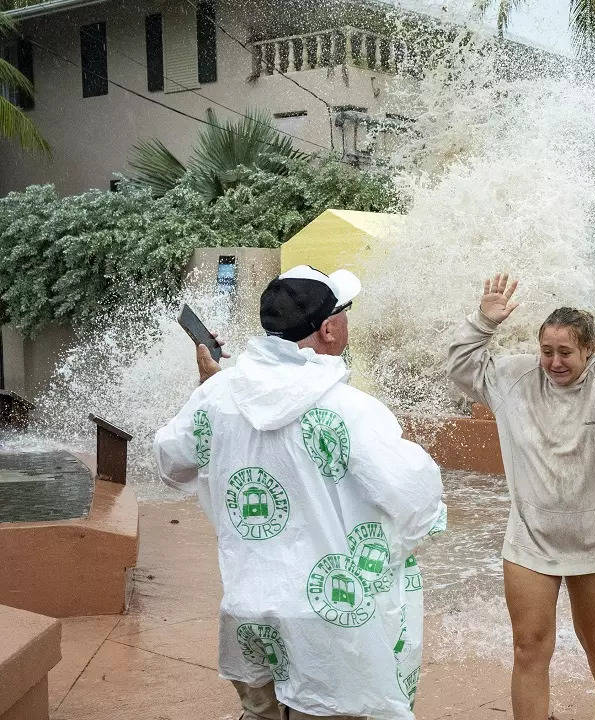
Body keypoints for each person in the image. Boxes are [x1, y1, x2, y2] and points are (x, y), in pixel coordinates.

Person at [154, 265, 445, 720]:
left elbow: (171, 461)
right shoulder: (351, 410)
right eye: (345, 311)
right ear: (329, 329)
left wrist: (207, 391)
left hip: (248, 611)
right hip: (332, 622)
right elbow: (417, 500)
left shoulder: (219, 396)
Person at [446, 274, 595, 720]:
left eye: (565, 352)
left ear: (588, 349)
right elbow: (462, 369)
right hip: (531, 536)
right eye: (546, 351)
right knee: (528, 645)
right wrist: (482, 323)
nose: (554, 362)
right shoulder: (515, 376)